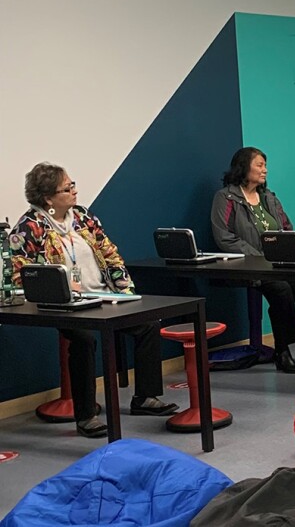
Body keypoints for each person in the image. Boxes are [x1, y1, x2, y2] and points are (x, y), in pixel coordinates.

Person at [10, 163, 178, 438]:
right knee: (84, 338)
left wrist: (126, 292)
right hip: (62, 304)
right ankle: (86, 415)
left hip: (101, 295)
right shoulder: (29, 228)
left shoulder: (83, 217)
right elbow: (22, 274)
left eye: (73, 184)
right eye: (67, 188)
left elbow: (109, 253)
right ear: (48, 198)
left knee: (147, 323)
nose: (75, 191)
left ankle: (145, 398)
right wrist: (60, 289)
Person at [211, 147, 295, 374]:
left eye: (265, 165)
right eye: (259, 165)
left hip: (278, 263)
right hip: (248, 265)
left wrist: (291, 253)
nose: (265, 170)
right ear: (244, 167)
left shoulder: (269, 197)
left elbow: (287, 228)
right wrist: (258, 258)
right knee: (282, 290)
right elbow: (224, 236)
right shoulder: (226, 197)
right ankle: (282, 350)